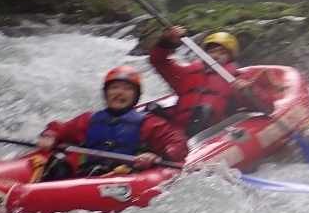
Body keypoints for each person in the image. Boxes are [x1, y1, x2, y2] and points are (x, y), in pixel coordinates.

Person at [36, 67, 188, 180]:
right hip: (86, 175)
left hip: (124, 176)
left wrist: (156, 157)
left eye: (127, 89)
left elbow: (178, 143)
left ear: (136, 96)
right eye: (114, 87)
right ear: (106, 93)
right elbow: (58, 128)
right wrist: (49, 136)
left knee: (103, 169)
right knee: (57, 162)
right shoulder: (88, 119)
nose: (119, 92)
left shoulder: (149, 123)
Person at [149, 27, 251, 137]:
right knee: (151, 108)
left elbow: (256, 104)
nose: (215, 56)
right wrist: (168, 42)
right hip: (176, 132)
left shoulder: (237, 79)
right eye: (211, 51)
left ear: (231, 58)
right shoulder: (186, 74)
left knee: (204, 110)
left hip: (212, 132)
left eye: (222, 52)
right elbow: (158, 61)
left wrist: (246, 92)